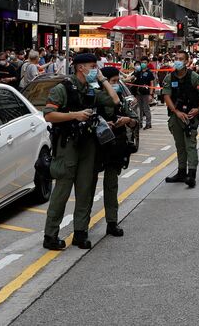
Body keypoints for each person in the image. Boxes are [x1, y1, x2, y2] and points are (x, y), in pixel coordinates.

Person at [41, 53, 108, 250]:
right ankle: (50, 235)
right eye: (92, 66)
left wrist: (102, 80)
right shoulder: (63, 88)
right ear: (81, 68)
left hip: (87, 144)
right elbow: (48, 115)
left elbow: (113, 100)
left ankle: (80, 233)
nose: (95, 69)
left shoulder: (91, 89)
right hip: (67, 146)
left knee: (85, 190)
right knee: (62, 191)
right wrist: (74, 115)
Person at [95, 67, 140, 237]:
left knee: (111, 185)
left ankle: (112, 222)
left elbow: (135, 122)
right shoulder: (93, 97)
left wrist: (127, 120)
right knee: (88, 187)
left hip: (114, 148)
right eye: (113, 82)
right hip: (96, 148)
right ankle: (81, 228)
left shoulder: (120, 99)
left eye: (117, 81)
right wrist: (102, 123)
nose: (116, 85)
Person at [161, 51, 199, 188]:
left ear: (187, 62)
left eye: (181, 59)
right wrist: (176, 111)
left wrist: (198, 109)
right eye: (176, 58)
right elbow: (167, 96)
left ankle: (191, 175)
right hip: (176, 116)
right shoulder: (169, 78)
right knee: (180, 145)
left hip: (190, 116)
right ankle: (181, 172)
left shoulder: (194, 77)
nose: (177, 61)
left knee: (190, 145)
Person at [130, 58, 155, 129]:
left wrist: (151, 94)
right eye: (142, 62)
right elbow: (131, 78)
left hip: (146, 93)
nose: (143, 64)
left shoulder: (149, 72)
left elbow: (152, 84)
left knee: (146, 108)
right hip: (138, 93)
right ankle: (140, 123)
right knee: (139, 109)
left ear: (147, 63)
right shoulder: (139, 72)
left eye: (145, 62)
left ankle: (148, 123)